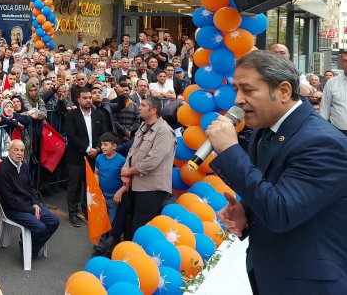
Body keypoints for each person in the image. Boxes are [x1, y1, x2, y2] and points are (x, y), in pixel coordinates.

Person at [207, 50, 347, 294]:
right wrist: (247, 214)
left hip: (309, 283)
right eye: (236, 89)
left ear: (283, 90)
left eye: (248, 90)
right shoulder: (263, 132)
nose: (238, 99)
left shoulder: (322, 142)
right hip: (271, 272)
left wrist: (230, 151)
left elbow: (281, 211)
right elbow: (272, 191)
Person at [0, 139, 59, 261]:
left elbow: (31, 187)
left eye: (22, 150)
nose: (19, 153)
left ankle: (29, 247)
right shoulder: (2, 170)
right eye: (16, 150)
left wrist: (34, 203)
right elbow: (9, 200)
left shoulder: (24, 166)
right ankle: (29, 249)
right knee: (40, 227)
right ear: (9, 151)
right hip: (12, 209)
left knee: (54, 221)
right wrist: (31, 209)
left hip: (28, 204)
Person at [120, 97, 175, 240]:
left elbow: (152, 161)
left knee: (140, 228)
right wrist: (126, 172)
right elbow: (132, 152)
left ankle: (135, 259)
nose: (139, 108)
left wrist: (129, 171)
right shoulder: (143, 126)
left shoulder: (164, 131)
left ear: (153, 110)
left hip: (152, 189)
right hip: (136, 186)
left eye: (143, 106)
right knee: (127, 224)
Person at [62, 87, 112, 228]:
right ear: (78, 100)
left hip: (93, 157)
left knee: (90, 186)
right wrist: (86, 149)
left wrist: (96, 149)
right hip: (76, 157)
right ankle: (72, 213)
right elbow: (71, 136)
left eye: (90, 97)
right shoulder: (72, 115)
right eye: (85, 98)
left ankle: (86, 211)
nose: (89, 100)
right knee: (74, 186)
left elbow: (103, 134)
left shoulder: (98, 115)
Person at [92, 132, 127, 255]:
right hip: (101, 195)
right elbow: (96, 173)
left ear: (114, 146)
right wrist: (96, 189)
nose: (102, 147)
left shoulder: (122, 160)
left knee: (112, 222)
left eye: (106, 145)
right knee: (101, 220)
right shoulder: (99, 158)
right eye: (102, 145)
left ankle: (110, 246)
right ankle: (100, 245)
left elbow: (127, 181)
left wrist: (120, 192)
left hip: (114, 198)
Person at [320, 50, 347, 136]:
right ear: (341, 62)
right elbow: (325, 108)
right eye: (345, 61)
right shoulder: (332, 82)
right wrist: (322, 131)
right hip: (337, 131)